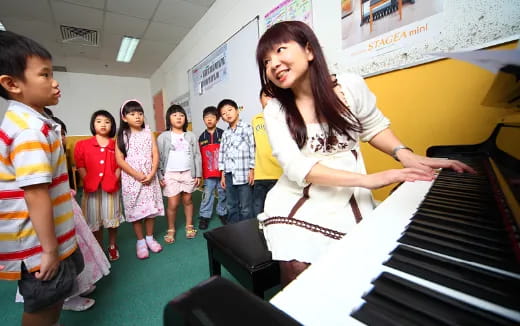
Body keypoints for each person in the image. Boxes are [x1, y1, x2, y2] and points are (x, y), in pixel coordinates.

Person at [255, 21, 474, 286]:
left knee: (351, 265)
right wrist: (369, 180)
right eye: (266, 62)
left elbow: (374, 127)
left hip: (346, 195)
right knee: (296, 263)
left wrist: (405, 154)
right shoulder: (275, 110)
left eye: (280, 50)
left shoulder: (349, 86)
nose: (273, 64)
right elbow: (295, 167)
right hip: (297, 195)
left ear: (309, 50)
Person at [0, 31, 84, 326]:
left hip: (45, 241)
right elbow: (36, 194)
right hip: (39, 248)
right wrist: (49, 250)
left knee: (53, 304)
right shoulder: (29, 130)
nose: (55, 82)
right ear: (12, 84)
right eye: (45, 75)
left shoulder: (33, 122)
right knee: (42, 311)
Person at [16, 115, 111, 312]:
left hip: (66, 210)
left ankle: (79, 287)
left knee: (76, 252)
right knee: (59, 260)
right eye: (55, 134)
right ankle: (67, 298)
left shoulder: (55, 156)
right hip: (50, 216)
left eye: (62, 134)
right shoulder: (33, 151)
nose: (61, 138)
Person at [115, 99, 164, 259]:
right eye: (132, 114)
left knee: (150, 210)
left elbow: (155, 154)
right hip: (132, 179)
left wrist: (151, 173)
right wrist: (136, 175)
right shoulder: (121, 136)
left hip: (150, 176)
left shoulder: (149, 133)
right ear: (124, 117)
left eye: (140, 113)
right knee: (136, 211)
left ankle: (149, 237)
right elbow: (120, 160)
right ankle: (140, 241)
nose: (137, 117)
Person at [74, 110, 124, 261]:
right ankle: (99, 248)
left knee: (111, 218)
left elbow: (119, 165)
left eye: (107, 122)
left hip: (111, 188)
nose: (103, 124)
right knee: (94, 220)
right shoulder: (82, 145)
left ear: (112, 125)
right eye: (99, 121)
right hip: (91, 189)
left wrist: (114, 179)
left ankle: (112, 245)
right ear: (93, 124)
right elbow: (80, 164)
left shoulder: (116, 145)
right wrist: (87, 179)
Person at [157, 105, 202, 242]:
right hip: (170, 175)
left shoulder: (191, 136)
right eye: (175, 115)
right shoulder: (163, 137)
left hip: (188, 173)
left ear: (185, 119)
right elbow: (157, 157)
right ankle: (171, 228)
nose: (178, 117)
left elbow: (197, 156)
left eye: (181, 115)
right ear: (168, 119)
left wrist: (198, 174)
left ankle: (189, 225)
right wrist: (159, 176)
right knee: (173, 203)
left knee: (188, 200)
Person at [218, 99, 255, 224]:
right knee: (231, 205)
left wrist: (252, 169)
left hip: (244, 173)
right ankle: (234, 231)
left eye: (230, 110)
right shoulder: (225, 134)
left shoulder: (247, 128)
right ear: (222, 118)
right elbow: (222, 153)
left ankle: (248, 231)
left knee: (245, 207)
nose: (227, 114)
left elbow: (252, 149)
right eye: (223, 113)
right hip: (229, 174)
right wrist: (222, 174)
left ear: (237, 110)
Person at [251, 88, 283, 217]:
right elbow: (251, 146)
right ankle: (258, 234)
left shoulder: (283, 118)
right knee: (258, 209)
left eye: (273, 96)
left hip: (279, 174)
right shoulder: (255, 120)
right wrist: (251, 169)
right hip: (260, 174)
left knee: (277, 209)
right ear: (260, 100)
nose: (270, 99)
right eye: (266, 96)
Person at [197, 106, 227, 229]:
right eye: (206, 117)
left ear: (217, 119)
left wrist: (225, 172)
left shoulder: (223, 134)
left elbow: (226, 153)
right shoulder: (202, 137)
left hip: (222, 173)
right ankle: (204, 216)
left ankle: (223, 213)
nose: (209, 120)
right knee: (207, 195)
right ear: (204, 120)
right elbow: (199, 157)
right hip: (208, 174)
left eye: (212, 117)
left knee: (223, 193)